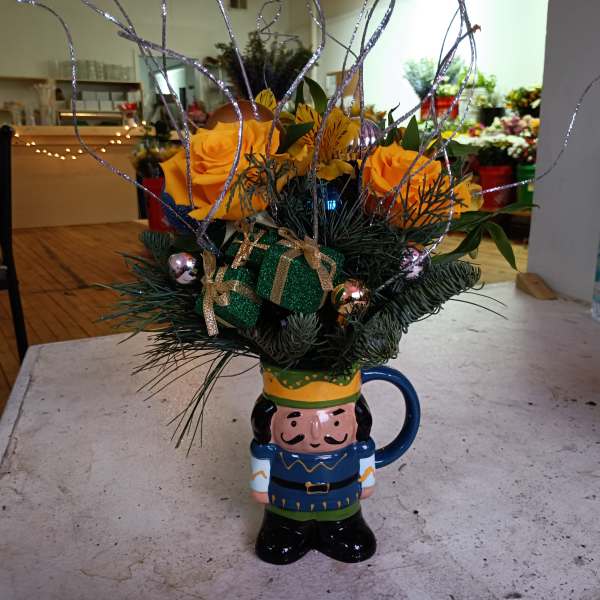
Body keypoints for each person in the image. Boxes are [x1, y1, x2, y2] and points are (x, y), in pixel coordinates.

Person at [249, 365, 377, 564]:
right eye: (294, 423)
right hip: (286, 506)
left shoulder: (356, 448)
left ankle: (341, 525)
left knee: (352, 536)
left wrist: (367, 483)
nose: (315, 435)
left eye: (335, 422)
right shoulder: (269, 450)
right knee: (278, 541)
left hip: (341, 505)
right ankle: (288, 527)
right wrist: (260, 488)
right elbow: (262, 460)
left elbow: (365, 455)